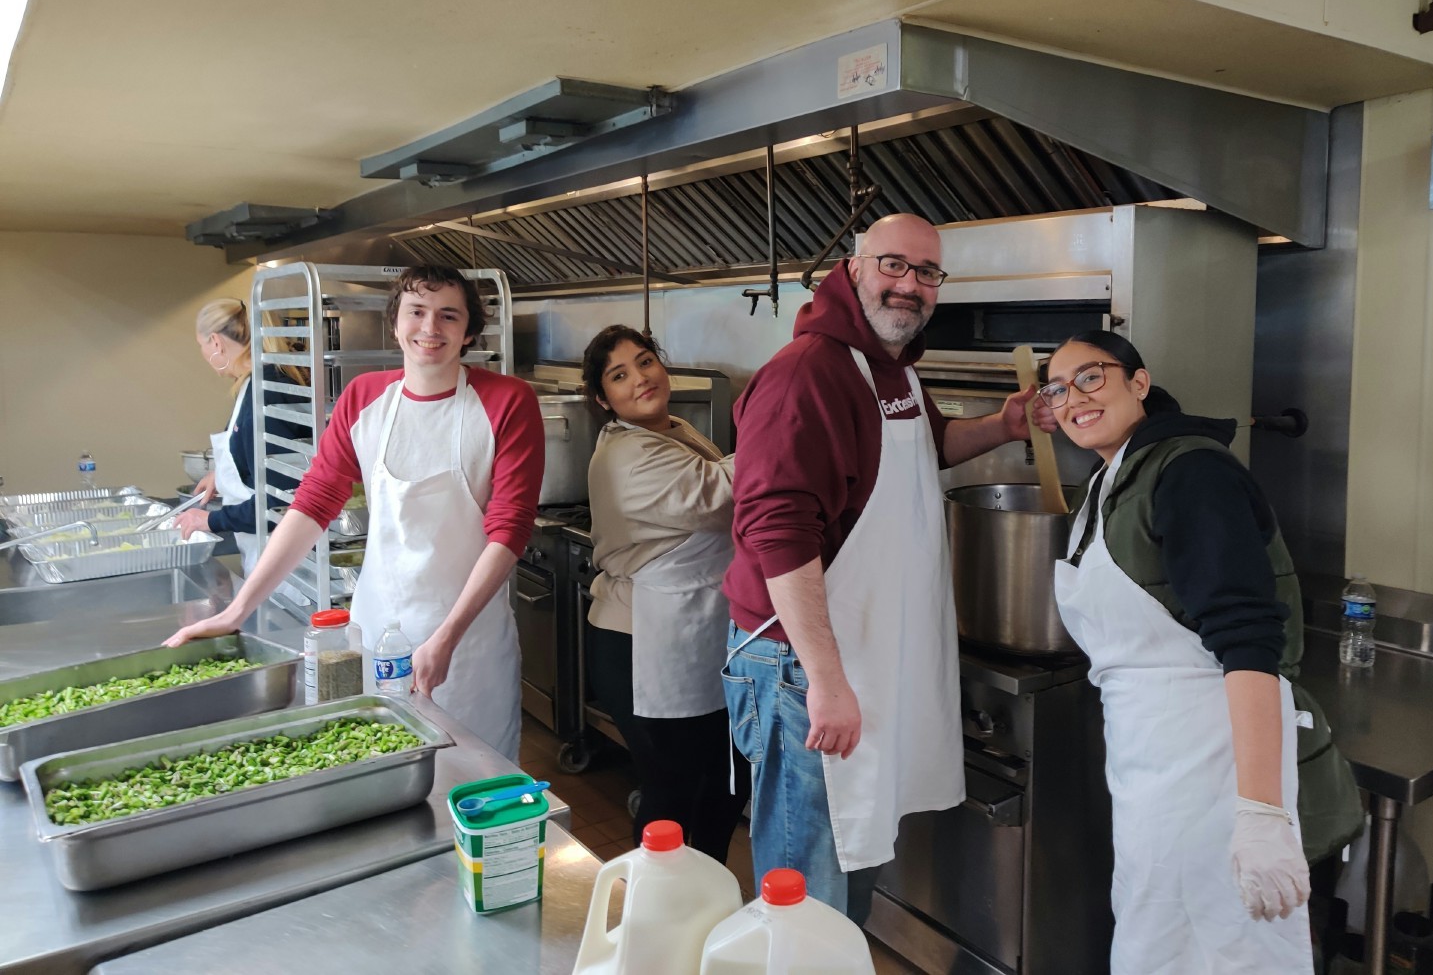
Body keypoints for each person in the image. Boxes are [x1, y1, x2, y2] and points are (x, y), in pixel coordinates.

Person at [722, 213, 1051, 922]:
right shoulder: (807, 373)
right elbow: (778, 532)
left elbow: (928, 440)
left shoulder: (886, 365)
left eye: (927, 272)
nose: (910, 285)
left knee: (848, 868)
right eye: (894, 265)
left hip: (856, 654)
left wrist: (1004, 425)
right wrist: (828, 679)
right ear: (854, 266)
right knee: (805, 891)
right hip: (799, 666)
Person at [1043, 329, 1361, 975]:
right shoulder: (1112, 478)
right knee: (1159, 944)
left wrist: (1261, 811)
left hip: (1217, 768)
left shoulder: (1189, 470)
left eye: (1091, 376)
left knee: (1222, 951)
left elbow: (1249, 639)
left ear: (1139, 381)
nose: (1073, 396)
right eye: (1058, 386)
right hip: (1152, 768)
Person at [168, 266, 545, 759]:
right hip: (377, 631)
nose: (430, 328)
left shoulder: (506, 401)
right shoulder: (365, 397)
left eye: (448, 316)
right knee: (388, 772)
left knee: (475, 777)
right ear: (395, 324)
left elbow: (509, 529)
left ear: (469, 331)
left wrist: (447, 636)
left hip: (467, 643)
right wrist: (239, 610)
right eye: (417, 312)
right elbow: (314, 503)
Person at [580, 324, 750, 862]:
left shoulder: (671, 428)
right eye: (620, 375)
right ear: (603, 400)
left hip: (691, 633)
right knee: (672, 793)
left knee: (724, 778)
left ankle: (710, 893)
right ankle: (655, 911)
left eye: (646, 361)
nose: (641, 378)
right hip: (641, 643)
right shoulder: (626, 456)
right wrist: (782, 425)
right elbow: (717, 494)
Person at [173, 299, 309, 574]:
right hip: (267, 555)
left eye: (202, 345)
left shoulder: (267, 393)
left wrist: (211, 521)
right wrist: (220, 476)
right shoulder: (257, 385)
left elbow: (281, 502)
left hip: (287, 570)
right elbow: (261, 463)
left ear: (215, 343)